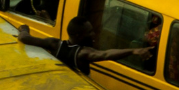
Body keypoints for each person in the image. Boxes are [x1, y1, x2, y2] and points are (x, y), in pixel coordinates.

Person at [17, 17, 153, 75]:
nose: (93, 34)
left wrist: (24, 28)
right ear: (78, 35)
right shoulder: (82, 53)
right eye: (89, 32)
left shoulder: (54, 44)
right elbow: (106, 54)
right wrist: (134, 50)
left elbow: (24, 37)